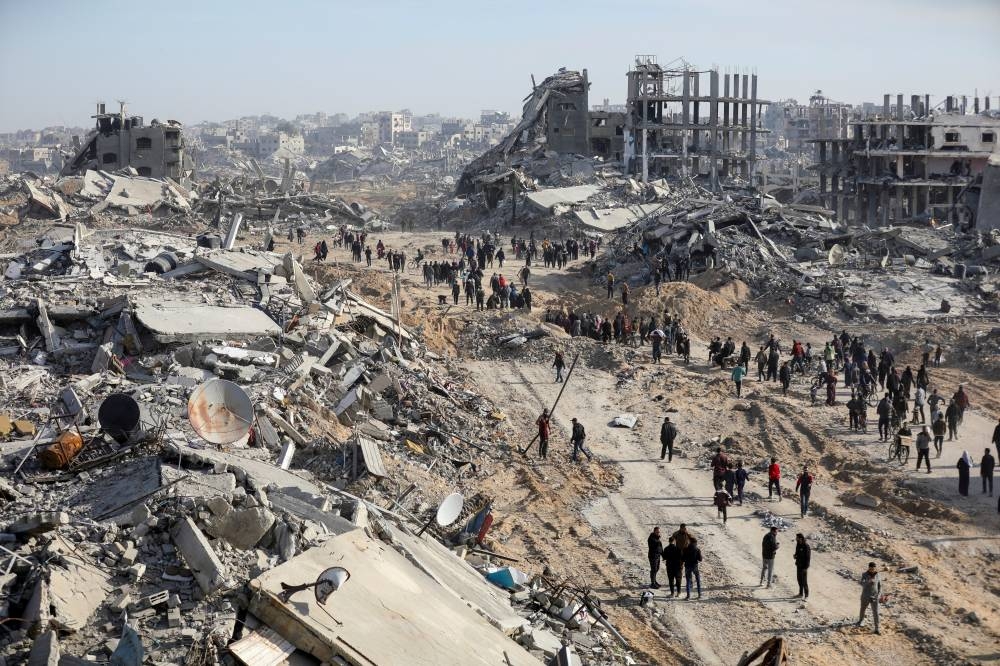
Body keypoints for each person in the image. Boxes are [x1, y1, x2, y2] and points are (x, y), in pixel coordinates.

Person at [856, 562, 882, 634]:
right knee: (863, 609)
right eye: (871, 569)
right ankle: (861, 621)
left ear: (875, 568)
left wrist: (879, 595)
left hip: (875, 597)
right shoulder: (864, 574)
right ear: (869, 568)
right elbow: (862, 583)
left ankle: (877, 628)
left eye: (873, 569)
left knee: (876, 612)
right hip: (865, 596)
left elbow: (880, 586)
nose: (872, 570)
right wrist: (868, 581)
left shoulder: (878, 575)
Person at [794, 533, 811, 600]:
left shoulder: (806, 546)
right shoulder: (798, 544)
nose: (796, 539)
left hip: (804, 567)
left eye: (797, 538)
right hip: (798, 565)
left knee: (804, 581)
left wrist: (806, 567)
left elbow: (808, 558)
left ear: (800, 538)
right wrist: (795, 556)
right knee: (799, 580)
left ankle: (806, 596)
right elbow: (797, 553)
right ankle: (800, 593)